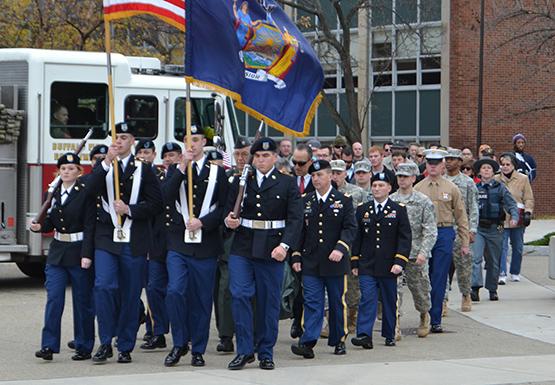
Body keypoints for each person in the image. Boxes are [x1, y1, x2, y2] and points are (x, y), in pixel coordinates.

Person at [224, 137, 302, 370]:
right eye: (257, 156)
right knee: (239, 294)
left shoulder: (286, 183)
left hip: (272, 247)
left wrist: (285, 247)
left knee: (269, 302)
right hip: (243, 245)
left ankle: (265, 351)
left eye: (266, 156)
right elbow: (228, 212)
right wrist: (229, 220)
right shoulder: (241, 181)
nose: (261, 160)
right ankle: (245, 350)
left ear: (275, 157)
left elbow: (296, 219)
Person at [89, 122, 163, 364]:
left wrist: (130, 209)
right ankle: (105, 341)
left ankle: (125, 344)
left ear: (133, 141)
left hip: (135, 238)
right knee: (104, 287)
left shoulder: (144, 169)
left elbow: (155, 205)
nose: (118, 141)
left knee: (131, 294)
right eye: (116, 137)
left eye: (124, 137)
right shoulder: (104, 166)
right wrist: (105, 163)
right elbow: (88, 191)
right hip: (106, 238)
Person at [162, 125, 229, 367]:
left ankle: (198, 349)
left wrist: (203, 221)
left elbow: (223, 208)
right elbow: (165, 197)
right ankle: (179, 342)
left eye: (197, 139)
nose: (192, 144)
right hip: (178, 243)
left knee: (201, 299)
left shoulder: (217, 173)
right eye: (188, 140)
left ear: (204, 143)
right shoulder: (174, 170)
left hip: (206, 245)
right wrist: (181, 167)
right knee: (175, 291)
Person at [31, 153, 95, 361]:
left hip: (78, 251)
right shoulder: (52, 192)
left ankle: (84, 345)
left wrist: (87, 254)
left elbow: (89, 225)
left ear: (79, 172)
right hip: (58, 253)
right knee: (54, 299)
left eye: (71, 168)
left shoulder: (85, 193)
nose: (66, 172)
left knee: (82, 301)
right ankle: (48, 346)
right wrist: (40, 226)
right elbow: (51, 221)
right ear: (58, 172)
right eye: (63, 169)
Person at [290, 160, 357, 359]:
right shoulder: (306, 200)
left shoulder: (343, 200)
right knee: (312, 301)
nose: (316, 179)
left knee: (337, 302)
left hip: (334, 261)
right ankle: (308, 341)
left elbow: (350, 228)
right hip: (311, 261)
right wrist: (296, 254)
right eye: (313, 176)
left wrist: (340, 248)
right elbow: (299, 230)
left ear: (330, 176)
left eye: (320, 175)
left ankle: (339, 339)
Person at [351, 171, 411, 348]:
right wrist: (355, 261)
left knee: (388, 300)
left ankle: (389, 333)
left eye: (381, 185)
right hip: (367, 264)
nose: (377, 188)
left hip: (389, 264)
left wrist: (399, 262)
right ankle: (364, 335)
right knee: (367, 298)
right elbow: (357, 237)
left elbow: (404, 238)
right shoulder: (363, 209)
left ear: (389, 188)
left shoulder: (398, 209)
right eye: (375, 185)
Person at [414, 149, 469, 333]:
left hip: (444, 232)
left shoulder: (451, 188)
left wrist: (465, 242)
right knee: (423, 277)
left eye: (436, 163)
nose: (432, 166)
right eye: (429, 163)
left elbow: (461, 215)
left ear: (443, 165)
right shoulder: (418, 188)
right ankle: (424, 313)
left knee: (439, 276)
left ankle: (435, 318)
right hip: (423, 235)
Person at [390, 163, 437, 338]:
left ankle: (424, 315)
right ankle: (395, 324)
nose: (401, 179)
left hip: (415, 254)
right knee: (394, 292)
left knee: (420, 290)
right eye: (399, 176)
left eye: (405, 176)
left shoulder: (423, 201)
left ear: (413, 178)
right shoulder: (391, 200)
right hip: (394, 255)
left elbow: (430, 230)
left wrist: (424, 252)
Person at [215, 136, 251, 354]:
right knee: (224, 289)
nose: (240, 158)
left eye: (244, 154)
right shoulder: (226, 177)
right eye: (237, 154)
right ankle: (226, 334)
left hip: (251, 239)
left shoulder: (256, 178)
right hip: (227, 240)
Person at [471, 157, 519, 302]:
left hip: (495, 228)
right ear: (479, 171)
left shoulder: (500, 188)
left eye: (489, 168)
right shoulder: (474, 188)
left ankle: (492, 289)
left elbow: (511, 204)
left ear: (493, 172)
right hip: (478, 228)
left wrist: (514, 217)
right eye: (483, 168)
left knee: (493, 260)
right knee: (476, 258)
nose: (486, 170)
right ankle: (475, 288)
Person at [330, 159, 368, 332]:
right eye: (333, 173)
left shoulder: (357, 193)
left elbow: (365, 219)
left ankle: (352, 316)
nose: (335, 176)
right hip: (330, 243)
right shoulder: (324, 192)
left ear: (346, 173)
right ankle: (331, 318)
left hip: (351, 242)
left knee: (352, 282)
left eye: (339, 173)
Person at [444, 149, 479, 312]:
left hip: (461, 230)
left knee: (464, 266)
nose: (448, 162)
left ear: (459, 162)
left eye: (452, 159)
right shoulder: (440, 181)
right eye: (447, 159)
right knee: (441, 266)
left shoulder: (467, 182)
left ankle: (466, 294)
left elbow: (473, 208)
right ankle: (442, 299)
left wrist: (472, 230)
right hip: (443, 228)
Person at [496, 153, 534, 283]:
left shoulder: (523, 179)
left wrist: (528, 212)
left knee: (517, 246)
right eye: (503, 164)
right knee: (502, 246)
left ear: (513, 166)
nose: (505, 167)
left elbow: (528, 197)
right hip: (501, 218)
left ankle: (515, 271)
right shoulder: (496, 179)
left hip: (518, 217)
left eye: (508, 164)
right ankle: (502, 273)